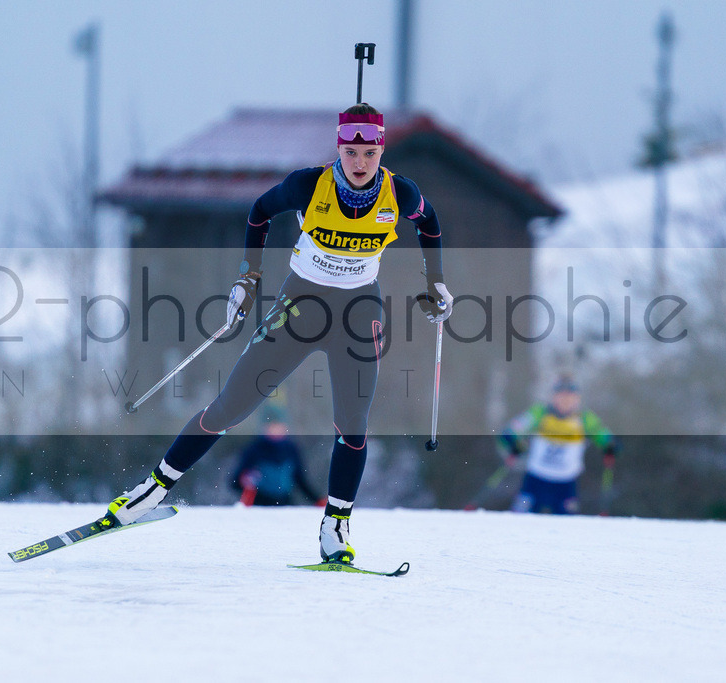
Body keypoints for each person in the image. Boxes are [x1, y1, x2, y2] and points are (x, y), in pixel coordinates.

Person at [101, 103, 452, 563]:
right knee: (232, 404)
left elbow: (429, 223)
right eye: (352, 152)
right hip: (300, 303)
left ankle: (336, 526)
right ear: (340, 148)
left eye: (370, 152)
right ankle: (152, 490)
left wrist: (435, 283)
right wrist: (247, 279)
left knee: (353, 423)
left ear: (381, 150)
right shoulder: (309, 185)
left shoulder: (399, 194)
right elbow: (259, 212)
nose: (361, 162)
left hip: (358, 308)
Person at [497, 375, 619, 515]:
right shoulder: (540, 413)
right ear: (554, 397)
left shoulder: (584, 418)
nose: (565, 401)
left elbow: (603, 435)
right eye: (561, 396)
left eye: (570, 397)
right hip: (535, 480)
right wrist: (513, 443)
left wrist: (610, 445)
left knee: (567, 525)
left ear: (576, 399)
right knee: (519, 516)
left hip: (566, 483)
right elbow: (512, 429)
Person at [231, 406, 321, 507]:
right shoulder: (254, 450)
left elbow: (300, 480)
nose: (275, 430)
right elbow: (235, 482)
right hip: (259, 506)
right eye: (271, 426)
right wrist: (246, 481)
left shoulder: (291, 449)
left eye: (279, 426)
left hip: (286, 504)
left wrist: (317, 500)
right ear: (264, 427)